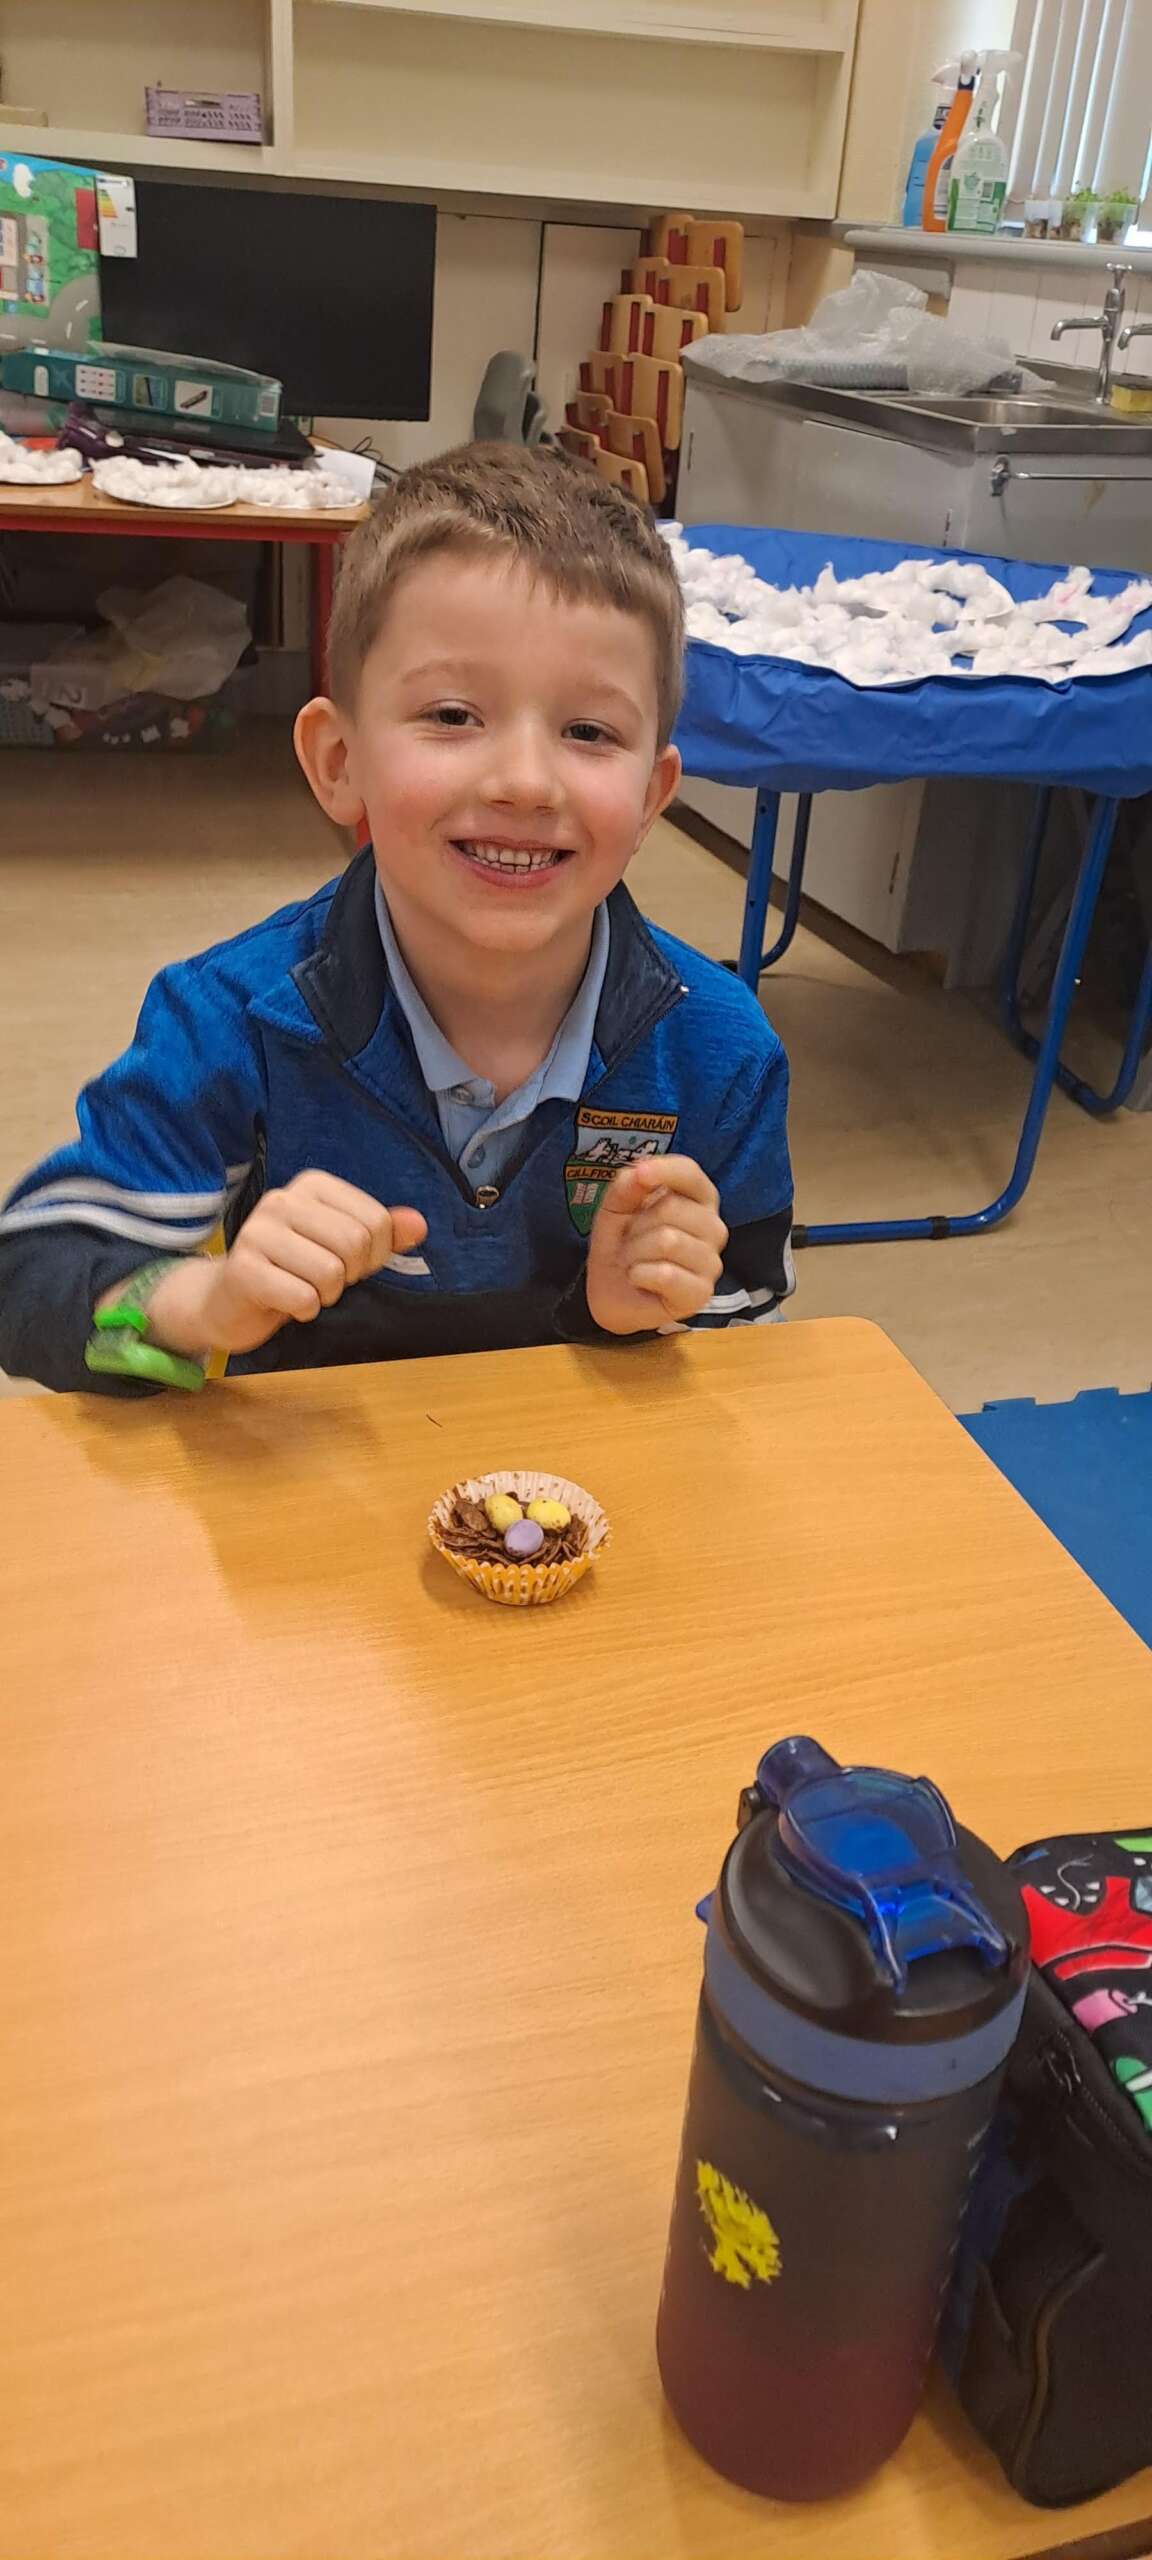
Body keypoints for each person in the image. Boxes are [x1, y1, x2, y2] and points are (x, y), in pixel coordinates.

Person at [0, 443, 793, 1396]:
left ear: (652, 796)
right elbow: (32, 1277)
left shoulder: (721, 1050)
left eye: (589, 732)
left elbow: (755, 1330)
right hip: (306, 1471)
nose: (525, 782)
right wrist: (199, 1301)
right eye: (453, 715)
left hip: (580, 1473)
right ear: (339, 763)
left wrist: (641, 1316)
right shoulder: (229, 1019)